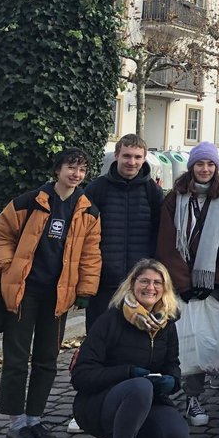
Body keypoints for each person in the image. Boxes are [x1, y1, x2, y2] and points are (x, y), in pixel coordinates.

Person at [0, 147, 102, 438]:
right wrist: (7, 265)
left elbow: (91, 255)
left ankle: (34, 418)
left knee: (47, 359)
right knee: (16, 359)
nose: (76, 174)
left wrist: (85, 291)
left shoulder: (88, 211)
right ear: (57, 170)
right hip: (24, 292)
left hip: (57, 297)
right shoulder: (29, 202)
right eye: (71, 167)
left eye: (81, 169)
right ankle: (16, 424)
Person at [70, 259, 189, 438]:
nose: (150, 287)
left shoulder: (167, 324)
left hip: (145, 399)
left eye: (157, 283)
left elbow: (172, 365)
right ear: (132, 284)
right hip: (99, 402)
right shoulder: (111, 319)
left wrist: (172, 382)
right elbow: (81, 375)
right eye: (144, 281)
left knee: (177, 434)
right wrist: (128, 373)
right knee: (139, 387)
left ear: (165, 288)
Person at [155, 142, 219, 427]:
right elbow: (166, 242)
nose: (205, 169)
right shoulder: (175, 198)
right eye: (200, 164)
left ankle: (193, 396)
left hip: (211, 282)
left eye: (210, 164)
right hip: (178, 283)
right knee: (175, 339)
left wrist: (212, 280)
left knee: (200, 339)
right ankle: (164, 391)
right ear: (191, 167)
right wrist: (183, 282)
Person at [83, 134, 163, 330]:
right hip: (103, 281)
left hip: (139, 282)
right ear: (117, 155)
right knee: (99, 334)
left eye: (137, 157)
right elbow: (84, 234)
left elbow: (158, 233)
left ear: (144, 158)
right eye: (127, 156)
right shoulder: (97, 189)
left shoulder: (152, 191)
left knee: (135, 337)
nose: (132, 162)